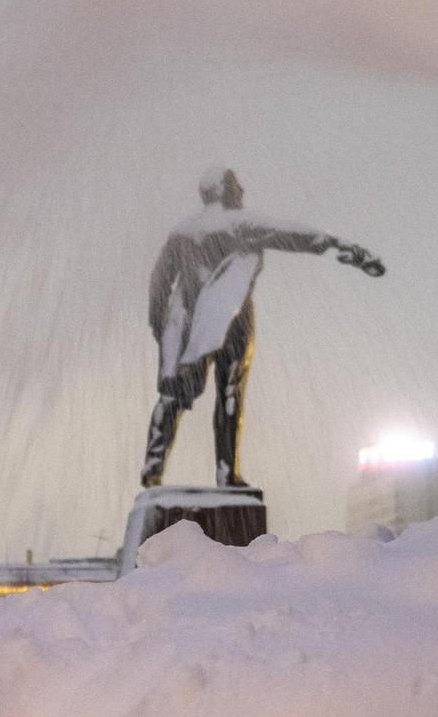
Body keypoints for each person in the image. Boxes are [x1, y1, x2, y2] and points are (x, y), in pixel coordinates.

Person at [142, 167, 384, 488]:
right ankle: (227, 473)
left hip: (185, 325)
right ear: (225, 190)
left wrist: (160, 324)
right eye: (237, 186)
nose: (242, 190)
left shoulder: (180, 233)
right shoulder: (241, 224)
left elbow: (158, 284)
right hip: (232, 318)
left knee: (172, 395)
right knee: (229, 393)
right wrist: (344, 247)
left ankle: (153, 465)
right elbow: (295, 236)